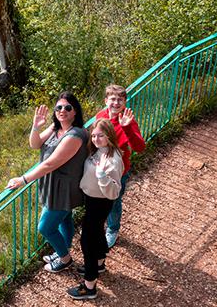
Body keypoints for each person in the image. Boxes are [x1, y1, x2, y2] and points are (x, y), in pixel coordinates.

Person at [7, 91, 87, 273]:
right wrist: (35, 127)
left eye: (68, 107)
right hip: (53, 185)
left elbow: (51, 163)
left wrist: (23, 179)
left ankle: (65, 260)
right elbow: (35, 144)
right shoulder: (55, 128)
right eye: (59, 107)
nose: (62, 111)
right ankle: (62, 251)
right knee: (64, 220)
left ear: (75, 112)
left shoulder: (75, 135)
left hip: (64, 188)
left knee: (46, 227)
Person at [67, 118, 124, 300]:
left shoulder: (112, 160)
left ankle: (89, 285)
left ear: (109, 135)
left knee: (87, 241)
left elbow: (114, 191)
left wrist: (102, 177)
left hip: (100, 201)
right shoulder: (98, 151)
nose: (96, 138)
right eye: (93, 135)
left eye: (100, 135)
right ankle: (99, 263)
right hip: (92, 200)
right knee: (97, 232)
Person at [95, 84, 146, 248]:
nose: (116, 103)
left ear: (125, 102)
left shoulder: (128, 120)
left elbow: (139, 147)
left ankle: (113, 229)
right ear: (106, 100)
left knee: (113, 201)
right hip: (100, 168)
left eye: (120, 100)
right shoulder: (100, 116)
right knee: (99, 198)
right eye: (113, 99)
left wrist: (126, 127)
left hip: (118, 171)